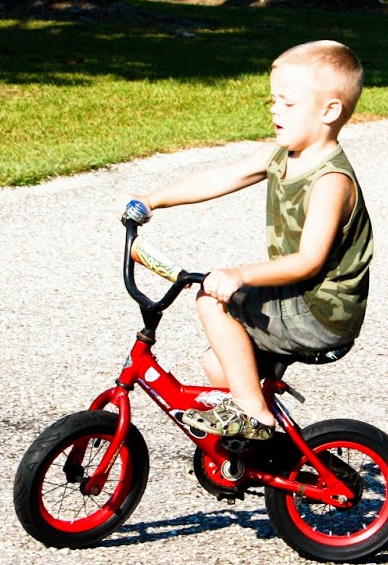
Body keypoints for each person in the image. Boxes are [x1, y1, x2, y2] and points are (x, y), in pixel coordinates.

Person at [127, 39, 374, 441]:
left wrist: (239, 274)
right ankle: (255, 450)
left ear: (329, 111)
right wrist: (154, 200)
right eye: (272, 101)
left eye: (288, 103)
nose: (275, 110)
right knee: (218, 365)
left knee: (211, 300)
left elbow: (310, 260)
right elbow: (225, 176)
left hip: (322, 311)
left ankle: (256, 415)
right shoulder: (281, 154)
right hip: (298, 297)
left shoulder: (331, 181)